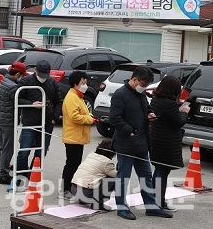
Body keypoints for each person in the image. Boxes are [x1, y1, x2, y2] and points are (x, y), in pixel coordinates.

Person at [109, 66, 172, 220]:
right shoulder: (120, 95)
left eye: (146, 85)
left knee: (146, 176)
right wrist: (129, 130)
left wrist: (150, 113)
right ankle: (122, 208)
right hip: (126, 143)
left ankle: (151, 206)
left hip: (141, 143)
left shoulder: (141, 94)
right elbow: (114, 118)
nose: (143, 87)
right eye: (143, 84)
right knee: (123, 177)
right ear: (135, 79)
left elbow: (146, 107)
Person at [13, 60, 63, 188]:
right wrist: (31, 104)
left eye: (46, 75)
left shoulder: (52, 82)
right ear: (35, 70)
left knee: (41, 152)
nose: (43, 78)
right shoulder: (26, 82)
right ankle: (17, 178)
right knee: (24, 152)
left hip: (47, 123)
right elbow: (16, 97)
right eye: (41, 74)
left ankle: (33, 176)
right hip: (30, 122)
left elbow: (58, 101)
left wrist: (54, 118)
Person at [149, 75, 190, 212]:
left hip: (156, 139)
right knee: (163, 171)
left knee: (159, 169)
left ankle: (155, 199)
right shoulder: (170, 104)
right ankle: (159, 202)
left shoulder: (156, 99)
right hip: (166, 142)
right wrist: (184, 112)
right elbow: (178, 122)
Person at [60, 71, 98, 200]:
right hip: (72, 137)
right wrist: (89, 119)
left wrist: (91, 117)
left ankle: (70, 188)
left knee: (75, 163)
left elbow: (84, 112)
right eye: (83, 82)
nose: (85, 85)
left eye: (85, 82)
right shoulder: (71, 97)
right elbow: (75, 116)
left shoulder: (78, 96)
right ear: (75, 83)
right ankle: (65, 189)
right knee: (71, 163)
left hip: (78, 137)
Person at [0, 62, 29, 184]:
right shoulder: (13, 87)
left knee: (1, 147)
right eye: (22, 75)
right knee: (7, 149)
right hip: (8, 121)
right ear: (18, 74)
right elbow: (19, 100)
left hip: (0, 118)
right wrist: (32, 103)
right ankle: (4, 174)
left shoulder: (4, 80)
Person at [71, 140, 117, 211]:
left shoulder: (91, 155)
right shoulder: (107, 162)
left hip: (74, 190)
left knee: (93, 177)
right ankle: (98, 204)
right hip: (86, 194)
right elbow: (116, 174)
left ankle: (83, 200)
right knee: (112, 180)